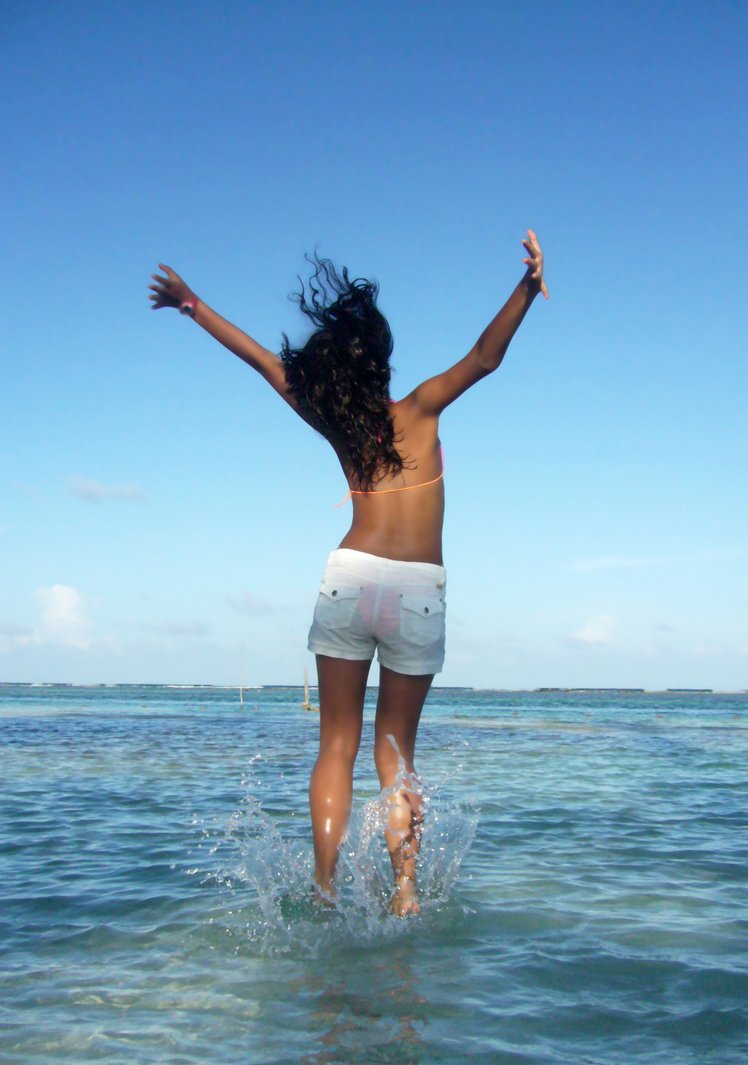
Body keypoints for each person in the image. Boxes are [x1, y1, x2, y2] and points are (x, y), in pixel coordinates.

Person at [149, 231, 547, 915]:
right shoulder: (419, 409)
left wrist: (192, 304)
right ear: (383, 365)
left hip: (351, 577)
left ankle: (326, 888)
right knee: (395, 752)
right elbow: (486, 357)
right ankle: (404, 891)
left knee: (335, 745)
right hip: (417, 588)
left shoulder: (338, 425)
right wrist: (528, 288)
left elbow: (261, 361)